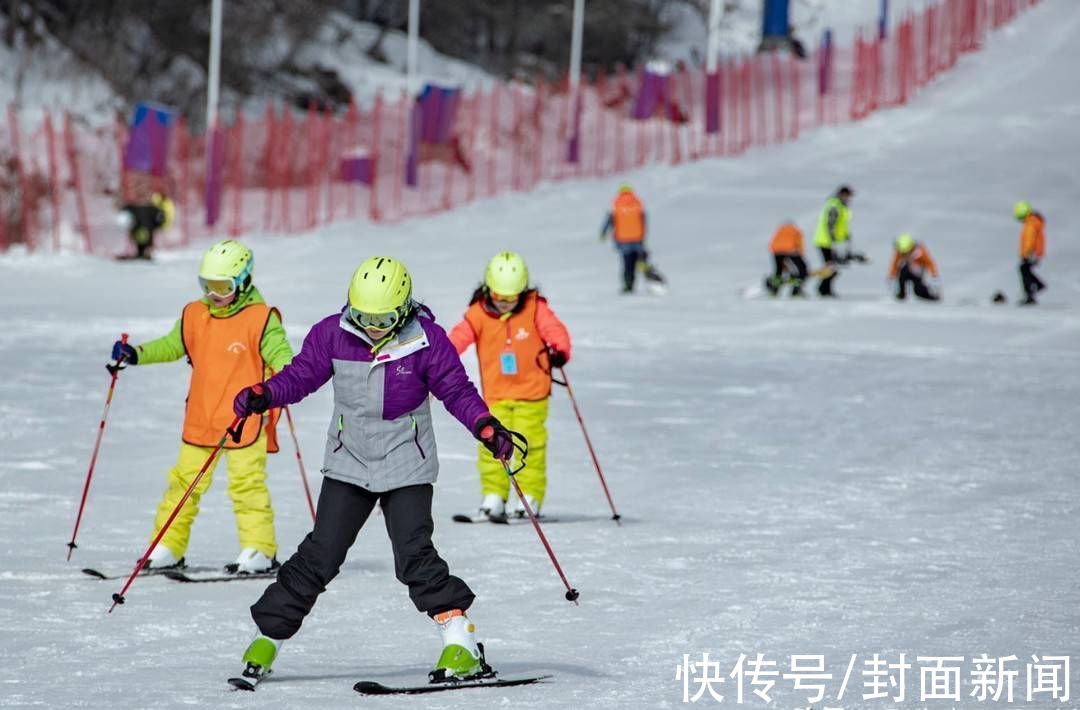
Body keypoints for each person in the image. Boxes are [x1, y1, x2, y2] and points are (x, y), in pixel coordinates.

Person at [229, 256, 519, 688]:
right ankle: (268, 636)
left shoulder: (426, 340)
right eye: (363, 316)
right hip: (350, 461)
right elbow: (302, 376)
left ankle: (461, 642)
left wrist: (484, 424)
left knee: (413, 554)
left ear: (402, 309)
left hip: (407, 462)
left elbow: (456, 390)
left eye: (382, 319)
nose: (372, 326)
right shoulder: (332, 333)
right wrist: (265, 394)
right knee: (319, 554)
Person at [108, 239, 292, 574]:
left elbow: (283, 359)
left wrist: (280, 382)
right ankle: (168, 547)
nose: (213, 294)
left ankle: (259, 550)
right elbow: (172, 345)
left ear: (244, 280)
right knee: (182, 486)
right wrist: (136, 354)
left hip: (244, 421)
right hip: (202, 417)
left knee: (247, 485)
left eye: (222, 286)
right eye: (206, 285)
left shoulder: (260, 319)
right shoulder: (195, 314)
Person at [449, 252, 572, 521]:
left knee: (532, 445)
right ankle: (494, 496)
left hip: (532, 393)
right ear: (488, 289)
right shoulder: (478, 313)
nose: (504, 303)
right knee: (491, 442)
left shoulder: (535, 308)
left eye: (511, 297)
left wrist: (559, 350)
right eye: (499, 297)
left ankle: (529, 495)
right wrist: (440, 362)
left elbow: (556, 331)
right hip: (496, 394)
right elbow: (457, 338)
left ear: (523, 290)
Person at [600, 183, 647, 293]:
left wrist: (603, 233)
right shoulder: (637, 203)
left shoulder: (617, 203)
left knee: (626, 262)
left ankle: (628, 284)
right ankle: (641, 272)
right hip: (637, 238)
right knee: (636, 259)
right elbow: (643, 220)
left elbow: (610, 220)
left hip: (623, 239)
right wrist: (642, 236)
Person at [813, 185, 856, 297]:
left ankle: (824, 288)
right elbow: (831, 223)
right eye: (847, 196)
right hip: (826, 241)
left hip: (830, 241)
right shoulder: (835, 205)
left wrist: (845, 237)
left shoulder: (840, 206)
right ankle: (823, 289)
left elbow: (841, 225)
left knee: (832, 267)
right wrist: (833, 238)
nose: (848, 198)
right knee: (831, 267)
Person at [117, 192, 175, 260]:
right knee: (145, 236)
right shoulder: (154, 208)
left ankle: (143, 252)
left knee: (143, 236)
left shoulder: (133, 208)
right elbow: (161, 218)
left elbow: (123, 213)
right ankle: (145, 252)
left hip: (141, 230)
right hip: (145, 231)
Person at [887, 233, 939, 301]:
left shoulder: (920, 251)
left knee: (918, 290)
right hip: (906, 270)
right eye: (903, 253)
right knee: (903, 273)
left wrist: (934, 275)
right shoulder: (899, 251)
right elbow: (895, 263)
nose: (904, 254)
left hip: (917, 271)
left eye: (906, 252)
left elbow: (929, 263)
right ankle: (901, 294)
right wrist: (891, 276)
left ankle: (930, 296)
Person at [1014, 200, 1046, 305]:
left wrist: (1027, 252)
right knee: (1025, 270)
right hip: (1034, 252)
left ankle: (1030, 294)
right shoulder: (1032, 222)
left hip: (1031, 253)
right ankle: (1035, 288)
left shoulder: (1031, 224)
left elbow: (1029, 239)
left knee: (1024, 270)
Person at [765, 221, 809, 297]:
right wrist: (800, 256)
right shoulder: (796, 230)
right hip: (790, 250)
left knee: (778, 270)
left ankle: (774, 289)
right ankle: (796, 290)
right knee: (802, 270)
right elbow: (799, 244)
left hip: (776, 251)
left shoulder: (780, 230)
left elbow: (773, 242)